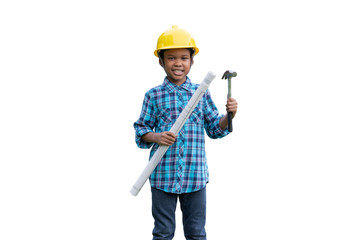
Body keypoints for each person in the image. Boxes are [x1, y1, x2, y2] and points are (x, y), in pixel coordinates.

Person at [134, 25, 238, 240]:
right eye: (171, 58)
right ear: (161, 61)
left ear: (192, 60)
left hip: (195, 176)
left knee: (196, 233)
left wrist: (229, 116)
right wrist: (156, 136)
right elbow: (141, 130)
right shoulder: (153, 95)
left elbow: (214, 129)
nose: (178, 63)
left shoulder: (201, 92)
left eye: (183, 57)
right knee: (163, 232)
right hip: (162, 175)